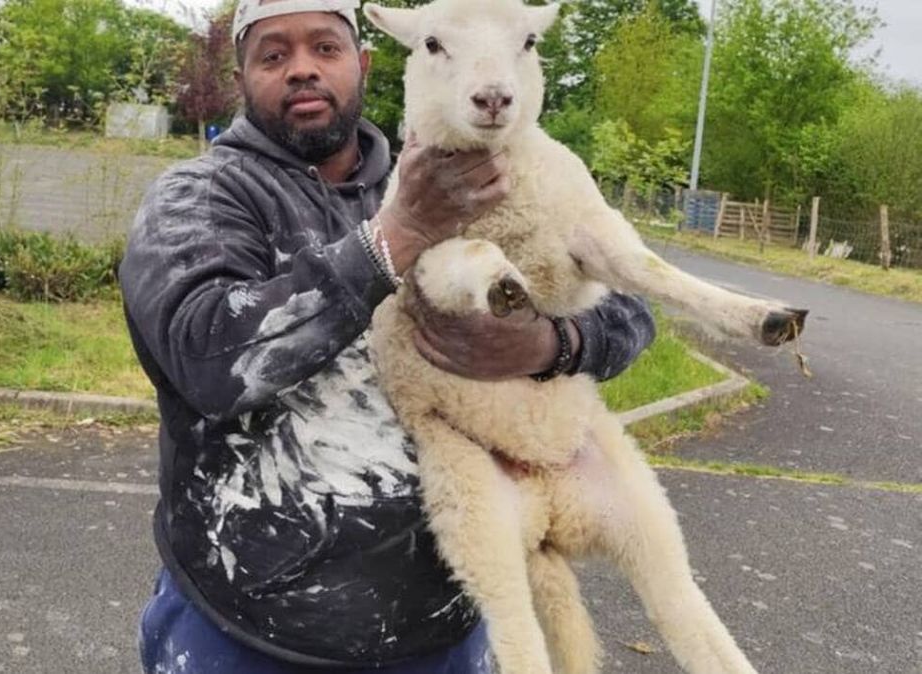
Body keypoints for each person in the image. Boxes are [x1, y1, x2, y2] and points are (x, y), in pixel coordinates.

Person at [119, 1, 656, 671]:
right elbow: (208, 359)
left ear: (365, 64)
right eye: (274, 55)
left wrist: (551, 344)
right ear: (240, 78)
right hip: (245, 633)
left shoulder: (458, 177)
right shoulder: (198, 197)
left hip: (444, 631)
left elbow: (631, 307)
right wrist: (396, 237)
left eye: (325, 47)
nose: (302, 69)